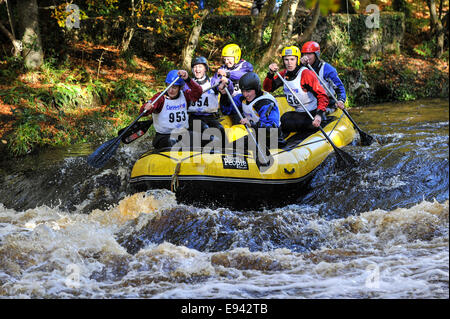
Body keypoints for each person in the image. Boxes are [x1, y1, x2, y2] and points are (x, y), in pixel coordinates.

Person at [263, 45, 329, 135]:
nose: (289, 63)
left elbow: (322, 95)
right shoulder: (284, 74)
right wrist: (270, 74)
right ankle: (273, 140)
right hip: (300, 114)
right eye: (286, 59)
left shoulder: (306, 74)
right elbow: (268, 88)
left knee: (286, 122)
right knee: (284, 118)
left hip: (312, 115)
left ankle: (279, 138)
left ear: (297, 60)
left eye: (292, 59)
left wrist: (319, 114)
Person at [140, 69, 202, 149]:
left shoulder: (185, 96)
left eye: (174, 87)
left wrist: (188, 79)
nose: (170, 90)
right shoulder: (160, 98)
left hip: (182, 134)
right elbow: (143, 111)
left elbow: (198, 91)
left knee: (206, 139)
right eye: (169, 86)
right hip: (163, 137)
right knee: (174, 143)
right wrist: (147, 107)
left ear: (180, 88)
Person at [218, 72, 281, 148]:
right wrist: (224, 95)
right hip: (253, 133)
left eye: (248, 91)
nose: (245, 94)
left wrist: (251, 124)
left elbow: (271, 129)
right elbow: (227, 110)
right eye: (243, 91)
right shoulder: (242, 98)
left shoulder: (265, 103)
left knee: (235, 146)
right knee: (228, 143)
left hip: (271, 138)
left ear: (256, 89)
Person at [187, 56, 232, 141]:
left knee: (221, 130)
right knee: (205, 129)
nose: (197, 69)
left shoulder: (212, 82)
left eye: (200, 67)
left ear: (205, 69)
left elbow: (227, 88)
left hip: (210, 116)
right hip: (194, 117)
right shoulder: (188, 84)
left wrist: (226, 84)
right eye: (195, 67)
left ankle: (225, 151)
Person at [300, 41, 346, 112]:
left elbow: (340, 88)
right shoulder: (301, 68)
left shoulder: (327, 69)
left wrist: (341, 100)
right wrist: (299, 65)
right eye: (304, 54)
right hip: (309, 104)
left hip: (327, 104)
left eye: (309, 54)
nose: (306, 57)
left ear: (316, 55)